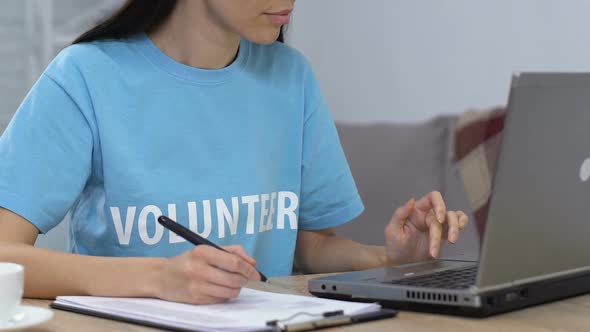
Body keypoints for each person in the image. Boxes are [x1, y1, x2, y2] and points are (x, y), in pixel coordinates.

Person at [0, 0, 469, 304]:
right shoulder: (85, 77)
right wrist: (161, 279)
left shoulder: (291, 76)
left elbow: (300, 243)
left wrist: (387, 260)